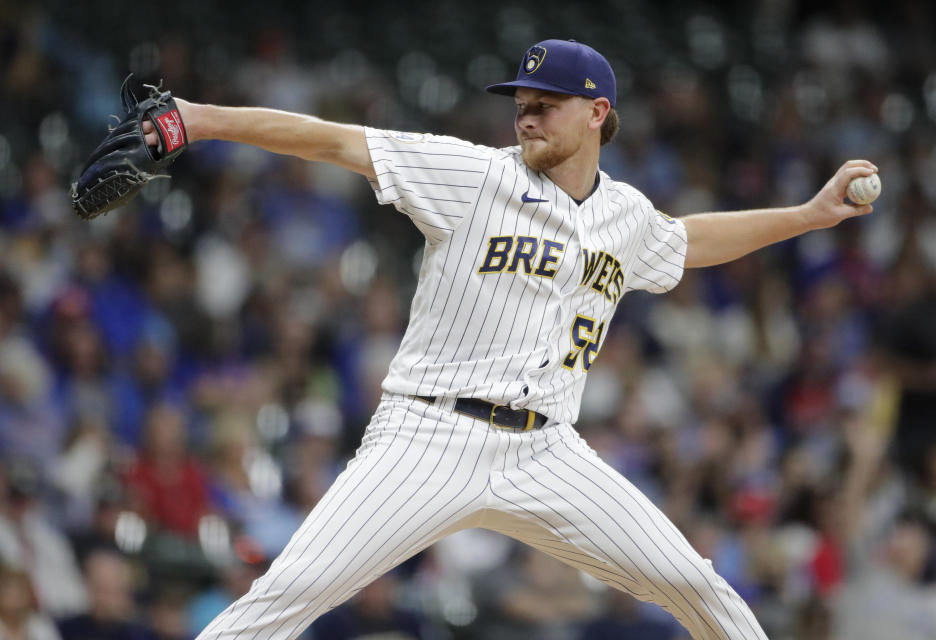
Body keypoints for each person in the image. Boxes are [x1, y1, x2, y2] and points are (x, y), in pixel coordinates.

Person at [136, 39, 876, 639]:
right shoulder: (472, 174)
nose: (526, 118)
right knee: (286, 597)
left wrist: (808, 216)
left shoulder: (627, 215)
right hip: (427, 435)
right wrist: (199, 118)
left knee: (696, 585)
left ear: (597, 113)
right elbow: (333, 141)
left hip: (546, 450)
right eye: (521, 105)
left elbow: (687, 241)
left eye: (545, 106)